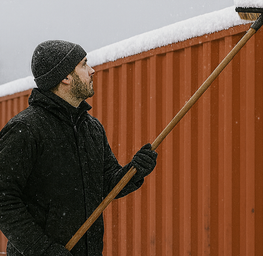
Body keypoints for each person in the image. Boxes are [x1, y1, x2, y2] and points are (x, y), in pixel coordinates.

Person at [0, 40, 158, 256]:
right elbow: (3, 198)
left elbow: (105, 184)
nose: (92, 70)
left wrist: (133, 172)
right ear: (65, 77)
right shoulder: (26, 129)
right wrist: (43, 250)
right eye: (84, 65)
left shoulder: (91, 128)